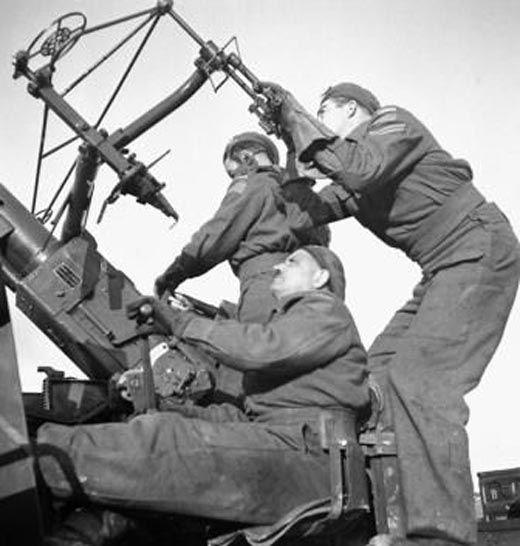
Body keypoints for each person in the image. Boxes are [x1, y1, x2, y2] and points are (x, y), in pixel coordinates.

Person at [264, 81, 520, 546]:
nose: (319, 119)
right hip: (442, 269)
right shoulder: (352, 168)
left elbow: (360, 170)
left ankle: (442, 536)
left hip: (479, 247)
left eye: (324, 110)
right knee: (373, 382)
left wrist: (297, 119)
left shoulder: (392, 124)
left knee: (424, 383)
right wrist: (290, 147)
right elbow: (305, 219)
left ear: (351, 108)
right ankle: (388, 523)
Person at [37, 245, 369, 545]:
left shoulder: (325, 311)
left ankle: (32, 459)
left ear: (321, 277)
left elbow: (259, 348)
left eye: (292, 262)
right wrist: (163, 404)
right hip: (290, 449)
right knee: (129, 505)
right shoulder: (295, 333)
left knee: (164, 441)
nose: (278, 267)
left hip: (312, 461)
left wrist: (179, 323)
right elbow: (242, 420)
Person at [154, 131, 329, 325]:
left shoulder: (252, 183)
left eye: (234, 172)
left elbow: (216, 236)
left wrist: (172, 275)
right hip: (313, 289)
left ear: (246, 157)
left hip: (267, 285)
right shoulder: (302, 194)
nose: (235, 178)